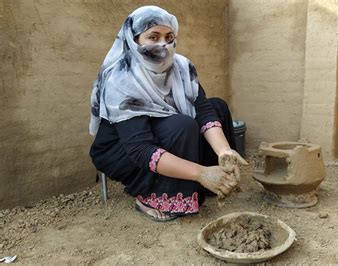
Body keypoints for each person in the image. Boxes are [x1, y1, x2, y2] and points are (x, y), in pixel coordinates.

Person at [88, 6, 247, 222]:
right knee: (181, 125)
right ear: (134, 39)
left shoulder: (181, 66)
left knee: (217, 105)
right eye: (153, 37)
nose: (163, 44)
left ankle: (211, 181)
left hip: (162, 134)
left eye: (169, 37)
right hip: (122, 150)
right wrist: (201, 173)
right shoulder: (121, 79)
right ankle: (150, 197)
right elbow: (139, 149)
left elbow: (203, 109)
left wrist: (224, 151)